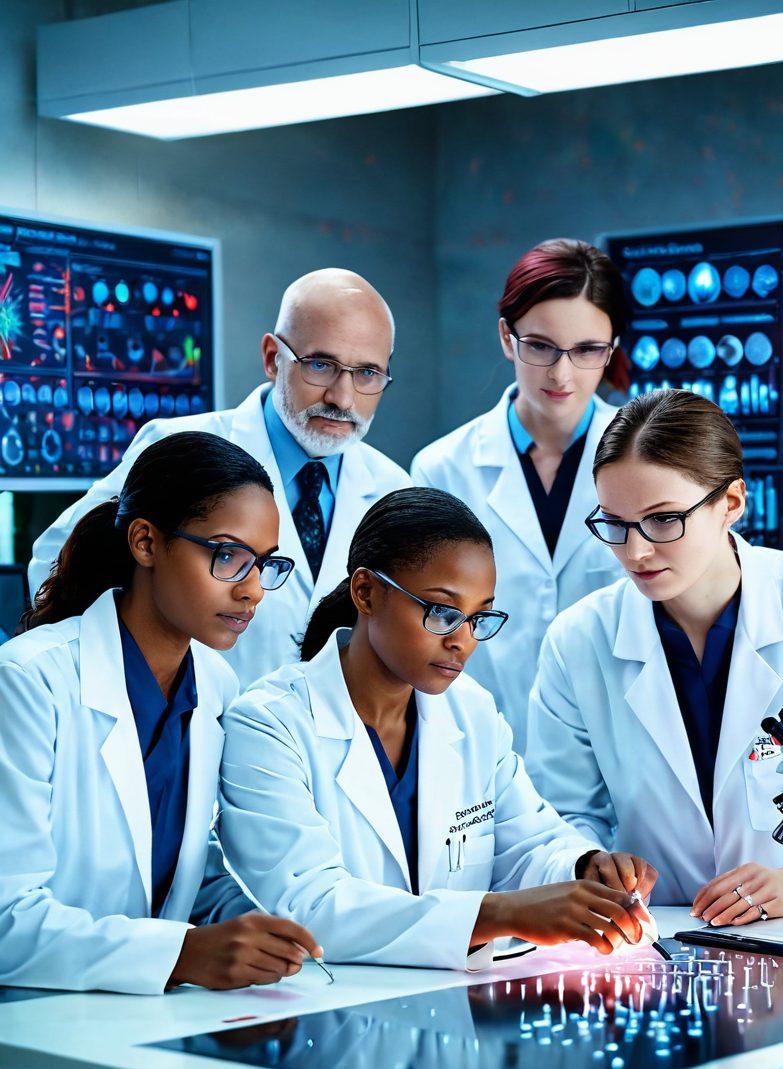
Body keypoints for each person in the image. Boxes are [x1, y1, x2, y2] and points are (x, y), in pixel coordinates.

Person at [217, 488, 657, 969]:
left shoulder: (472, 713)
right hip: (321, 1011)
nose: (462, 642)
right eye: (443, 613)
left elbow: (530, 842)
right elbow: (308, 907)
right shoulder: (269, 723)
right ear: (366, 592)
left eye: (478, 617)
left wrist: (584, 868)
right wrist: (498, 914)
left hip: (452, 1009)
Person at [526, 388, 783, 925]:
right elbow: (557, 814)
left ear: (732, 503)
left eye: (662, 520)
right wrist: (589, 863)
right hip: (661, 934)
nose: (635, 552)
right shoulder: (579, 640)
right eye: (614, 523)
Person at [0, 432, 321, 993]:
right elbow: (7, 920)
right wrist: (184, 953)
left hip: (142, 1022)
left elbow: (177, 871)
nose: (253, 591)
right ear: (146, 543)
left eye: (265, 564)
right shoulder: (29, 682)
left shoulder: (215, 686)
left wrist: (256, 927)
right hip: (32, 1023)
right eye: (227, 557)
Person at [29, 269, 411, 689]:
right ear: (272, 357)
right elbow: (56, 564)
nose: (342, 398)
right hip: (190, 731)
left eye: (368, 374)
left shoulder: (394, 488)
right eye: (320, 365)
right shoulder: (177, 446)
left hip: (314, 746)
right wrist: (131, 695)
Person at [411, 239, 625, 745]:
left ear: (612, 348)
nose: (561, 373)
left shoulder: (655, 469)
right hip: (477, 743)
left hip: (616, 748)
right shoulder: (443, 469)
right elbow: (420, 625)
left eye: (588, 350)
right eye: (541, 346)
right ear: (508, 338)